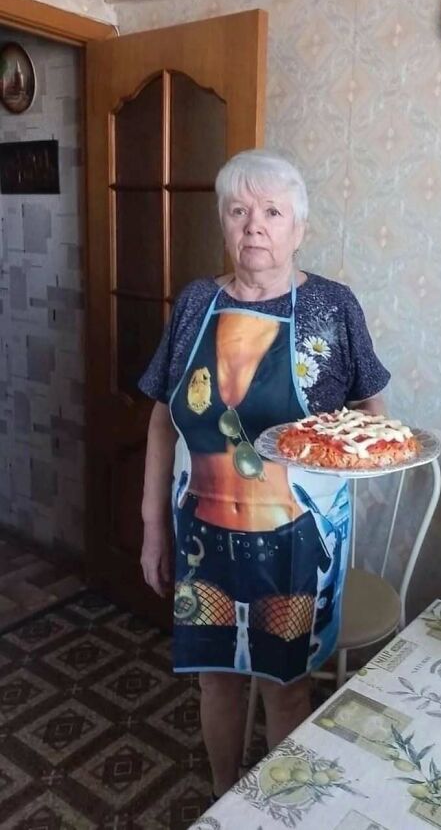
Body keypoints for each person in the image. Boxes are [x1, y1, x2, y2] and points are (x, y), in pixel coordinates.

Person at [138, 149, 390, 799]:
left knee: (287, 684)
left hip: (292, 543)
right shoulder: (195, 302)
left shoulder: (333, 307)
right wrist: (150, 530)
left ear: (298, 228)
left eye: (272, 212)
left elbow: (372, 414)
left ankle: (277, 809)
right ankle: (226, 798)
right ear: (223, 223)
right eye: (239, 209)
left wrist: (355, 474)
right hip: (200, 536)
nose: (255, 225)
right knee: (214, 679)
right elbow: (164, 420)